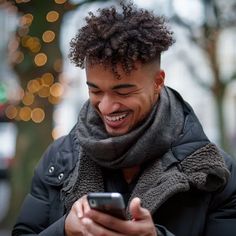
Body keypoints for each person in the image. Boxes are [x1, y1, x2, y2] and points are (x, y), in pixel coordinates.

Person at [12, 1, 236, 236]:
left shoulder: (216, 173)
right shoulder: (58, 159)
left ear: (158, 82)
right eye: (96, 91)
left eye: (123, 91)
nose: (107, 106)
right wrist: (64, 229)